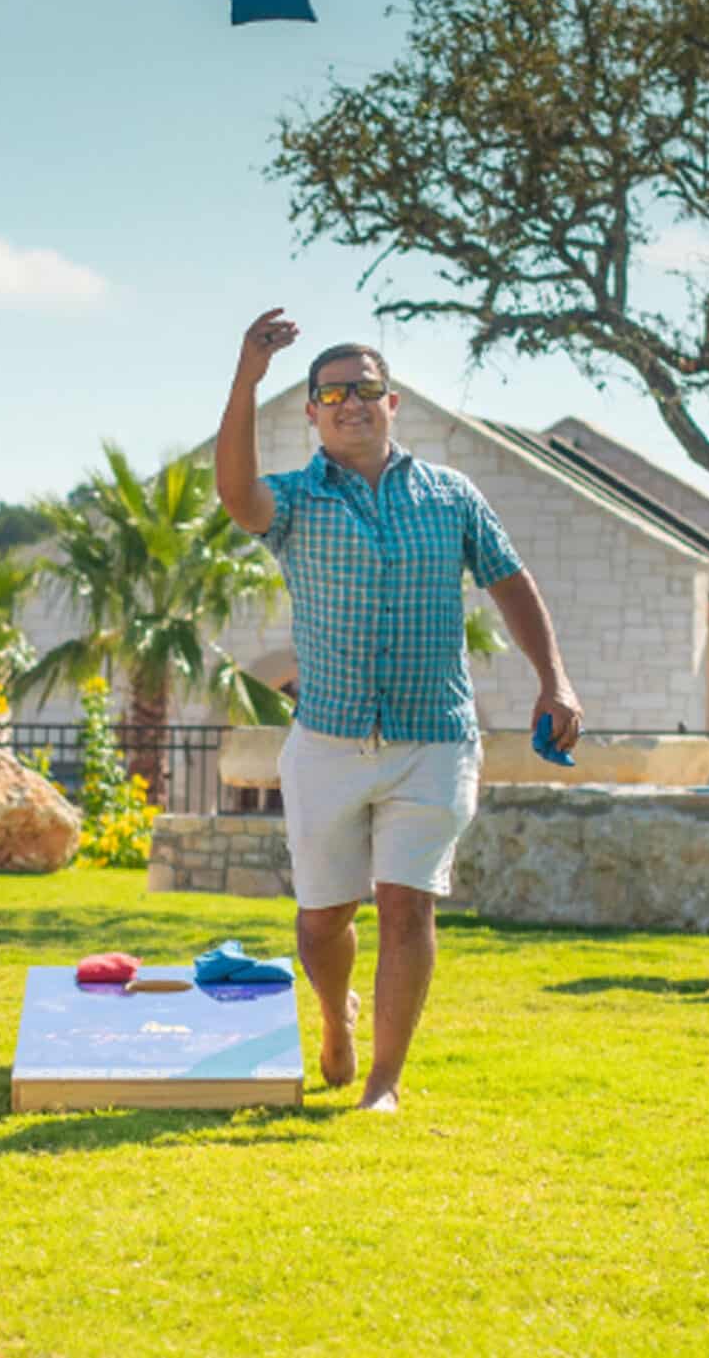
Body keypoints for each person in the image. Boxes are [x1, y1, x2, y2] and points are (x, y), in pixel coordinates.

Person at [216, 308, 583, 1112]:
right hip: (328, 739)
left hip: (435, 738)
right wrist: (248, 377)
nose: (351, 401)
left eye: (367, 388)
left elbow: (512, 583)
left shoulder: (452, 496)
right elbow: (236, 496)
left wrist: (553, 678)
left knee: (407, 903)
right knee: (322, 921)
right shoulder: (294, 501)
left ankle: (383, 1081)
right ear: (311, 411)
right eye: (333, 391)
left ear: (393, 403)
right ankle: (333, 1016)